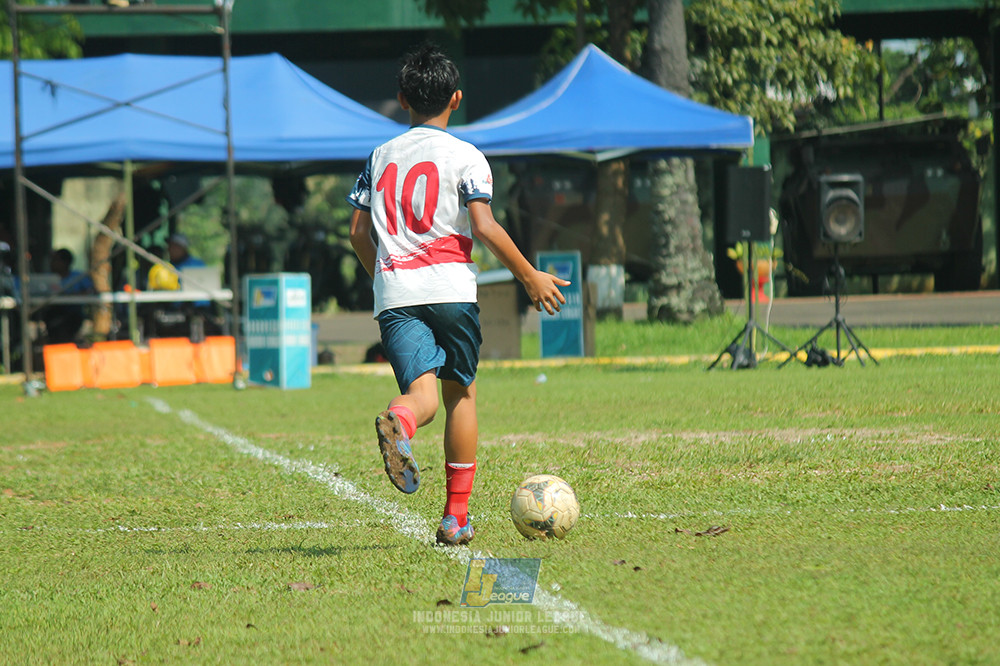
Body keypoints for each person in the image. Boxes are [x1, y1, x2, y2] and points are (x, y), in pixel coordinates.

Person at [347, 43, 569, 546]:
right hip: (450, 287)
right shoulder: (468, 156)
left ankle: (402, 420)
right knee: (460, 394)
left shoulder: (379, 157)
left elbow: (358, 233)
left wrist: (383, 278)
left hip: (396, 292)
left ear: (403, 99)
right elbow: (484, 226)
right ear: (457, 99)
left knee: (421, 395)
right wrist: (529, 275)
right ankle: (455, 517)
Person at [41, 248, 93, 344]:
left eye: (56, 260)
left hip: (73, 313)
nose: (52, 263)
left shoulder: (79, 276)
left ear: (66, 262)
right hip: (52, 311)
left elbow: (91, 291)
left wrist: (73, 295)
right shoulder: (47, 278)